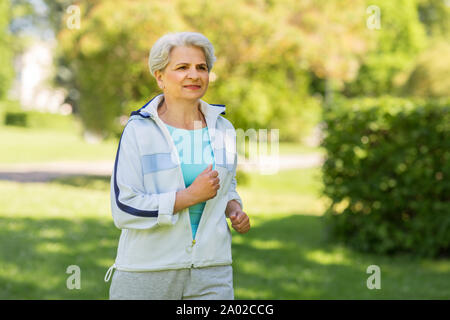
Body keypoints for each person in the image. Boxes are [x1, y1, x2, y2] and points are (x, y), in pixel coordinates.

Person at [104, 32, 250, 300]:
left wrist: (234, 208)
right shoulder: (138, 131)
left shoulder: (223, 129)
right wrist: (188, 197)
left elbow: (226, 186)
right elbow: (124, 206)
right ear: (160, 77)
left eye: (201, 67)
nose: (194, 75)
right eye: (182, 67)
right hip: (147, 272)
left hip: (212, 271)